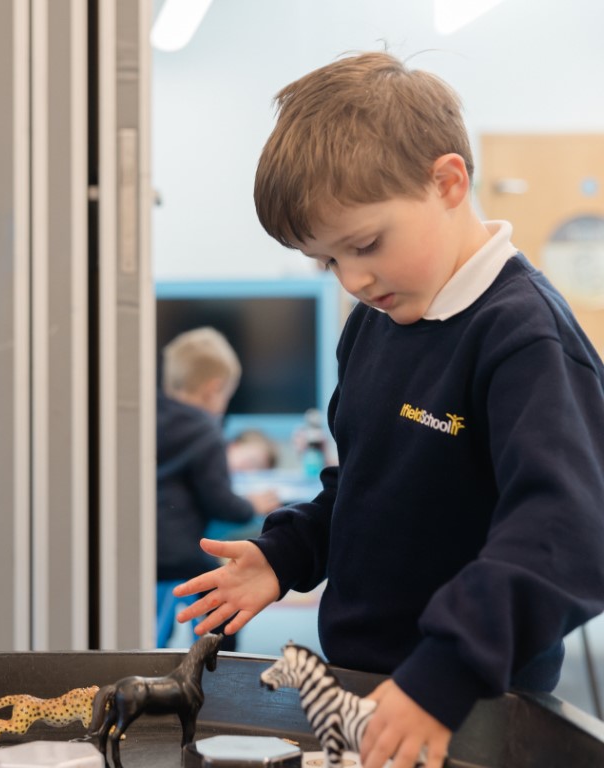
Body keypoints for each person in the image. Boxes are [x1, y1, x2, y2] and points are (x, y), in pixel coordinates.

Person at [173, 51, 604, 768]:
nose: (354, 278)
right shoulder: (376, 322)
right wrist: (286, 554)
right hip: (363, 688)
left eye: (366, 244)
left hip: (469, 704)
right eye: (328, 261)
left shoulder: (524, 339)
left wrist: (446, 672)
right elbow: (366, 485)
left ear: (448, 182)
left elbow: (567, 533)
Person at [156, 327, 279, 649]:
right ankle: (220, 663)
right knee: (224, 599)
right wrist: (253, 505)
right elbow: (221, 503)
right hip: (178, 555)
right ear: (213, 389)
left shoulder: (146, 416)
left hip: (143, 551)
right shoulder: (204, 430)